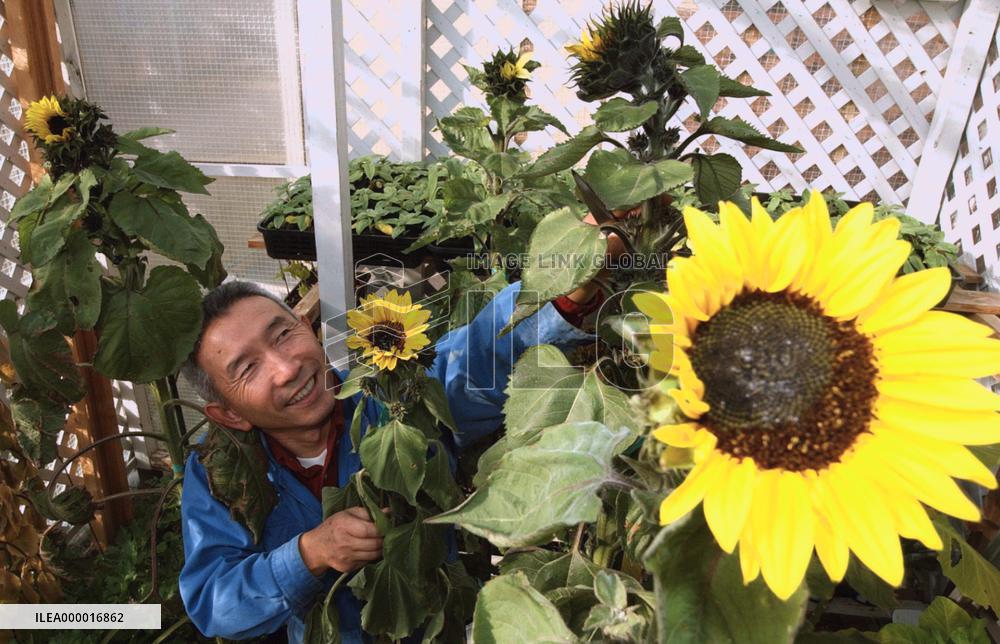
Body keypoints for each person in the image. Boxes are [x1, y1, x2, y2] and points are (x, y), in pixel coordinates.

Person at [177, 212, 630, 643]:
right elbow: (213, 600)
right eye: (247, 368)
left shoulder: (394, 395)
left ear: (305, 326)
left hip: (440, 625)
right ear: (229, 414)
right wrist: (309, 554)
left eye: (282, 335)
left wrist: (566, 281)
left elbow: (480, 353)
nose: (285, 368)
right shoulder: (221, 473)